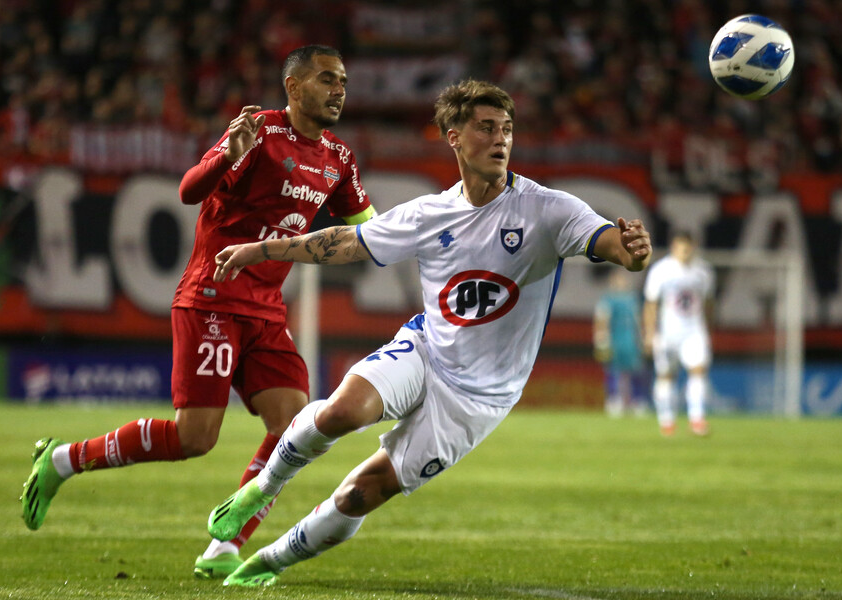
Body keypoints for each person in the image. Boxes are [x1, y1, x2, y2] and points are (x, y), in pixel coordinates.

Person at [203, 79, 652, 587]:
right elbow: (347, 241)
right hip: (427, 348)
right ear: (454, 137)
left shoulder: (548, 210)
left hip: (480, 396)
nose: (500, 139)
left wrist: (632, 252)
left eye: (506, 129)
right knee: (342, 411)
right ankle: (263, 488)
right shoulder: (429, 213)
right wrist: (260, 250)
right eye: (486, 128)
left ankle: (267, 562)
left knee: (359, 494)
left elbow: (609, 242)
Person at [19, 45, 375, 579]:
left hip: (266, 311)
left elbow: (369, 226)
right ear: (294, 87)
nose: (339, 89)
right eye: (327, 79)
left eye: (343, 80)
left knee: (295, 424)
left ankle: (224, 547)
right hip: (212, 297)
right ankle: (64, 461)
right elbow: (189, 190)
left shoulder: (339, 159)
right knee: (195, 439)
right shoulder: (258, 133)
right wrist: (227, 156)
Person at [642, 231, 714, 436]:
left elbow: (709, 303)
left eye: (688, 248)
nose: (685, 252)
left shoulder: (704, 272)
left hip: (694, 331)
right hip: (667, 333)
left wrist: (708, 329)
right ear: (674, 247)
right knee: (666, 376)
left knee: (698, 371)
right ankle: (667, 421)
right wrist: (649, 333)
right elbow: (651, 304)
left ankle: (697, 419)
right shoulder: (661, 270)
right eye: (682, 248)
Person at [594, 268, 647, 416]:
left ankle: (637, 401)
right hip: (615, 339)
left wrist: (642, 336)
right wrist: (601, 339)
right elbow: (602, 319)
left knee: (636, 370)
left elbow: (638, 319)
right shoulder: (607, 300)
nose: (621, 282)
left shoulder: (632, 299)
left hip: (631, 339)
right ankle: (614, 400)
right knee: (614, 370)